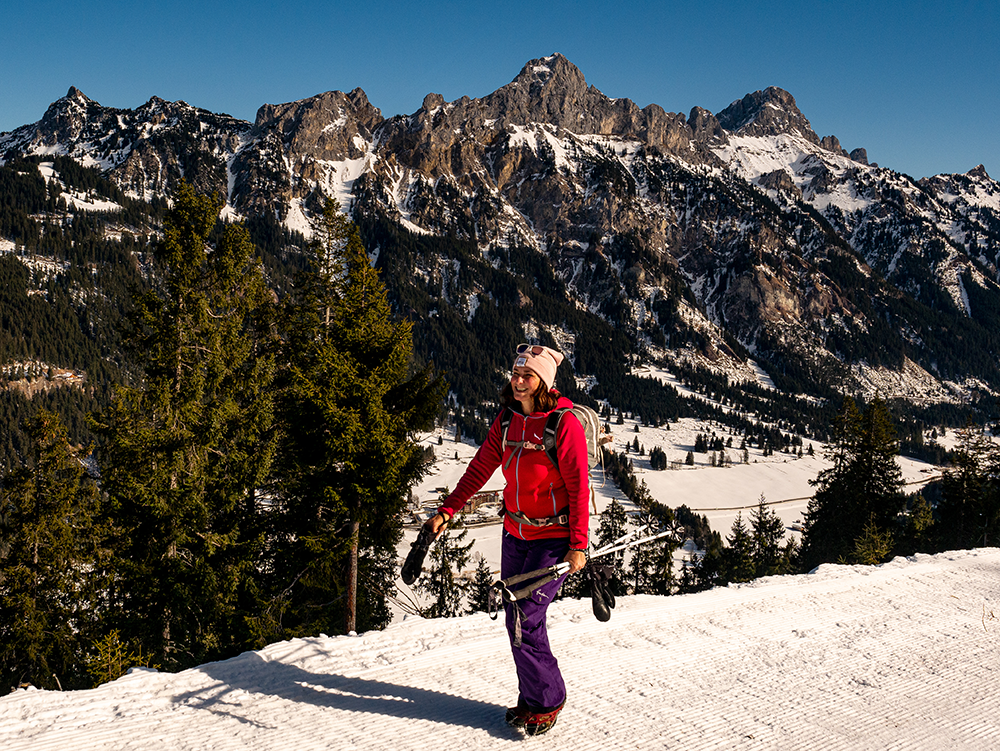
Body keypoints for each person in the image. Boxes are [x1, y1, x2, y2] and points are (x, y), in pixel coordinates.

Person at [425, 343, 589, 736]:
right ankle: (533, 697)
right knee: (516, 619)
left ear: (543, 382)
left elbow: (579, 486)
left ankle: (548, 700)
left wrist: (579, 545)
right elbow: (481, 466)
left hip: (554, 538)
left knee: (527, 619)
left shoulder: (563, 425)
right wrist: (449, 509)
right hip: (515, 532)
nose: (517, 382)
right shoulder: (507, 420)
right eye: (514, 375)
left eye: (526, 376)